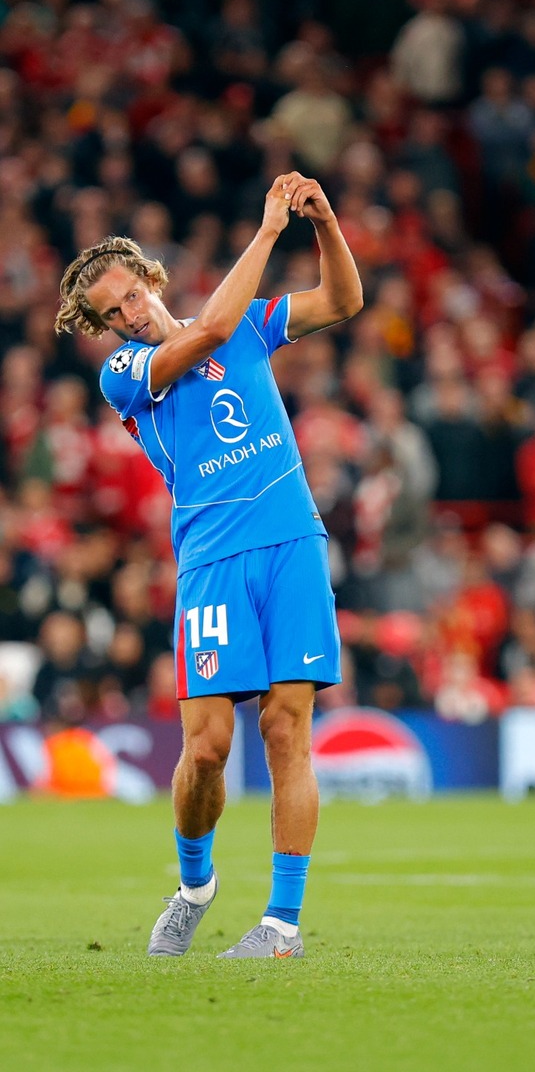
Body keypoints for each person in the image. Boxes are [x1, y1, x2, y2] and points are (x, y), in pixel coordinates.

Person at [54, 173, 363, 958]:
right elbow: (213, 331)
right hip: (212, 560)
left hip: (292, 540)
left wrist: (324, 224)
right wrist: (267, 231)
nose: (127, 317)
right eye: (110, 314)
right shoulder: (124, 376)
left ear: (152, 277)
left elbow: (341, 301)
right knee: (207, 750)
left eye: (130, 296)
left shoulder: (252, 322)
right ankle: (195, 885)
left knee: (288, 728)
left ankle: (282, 925)